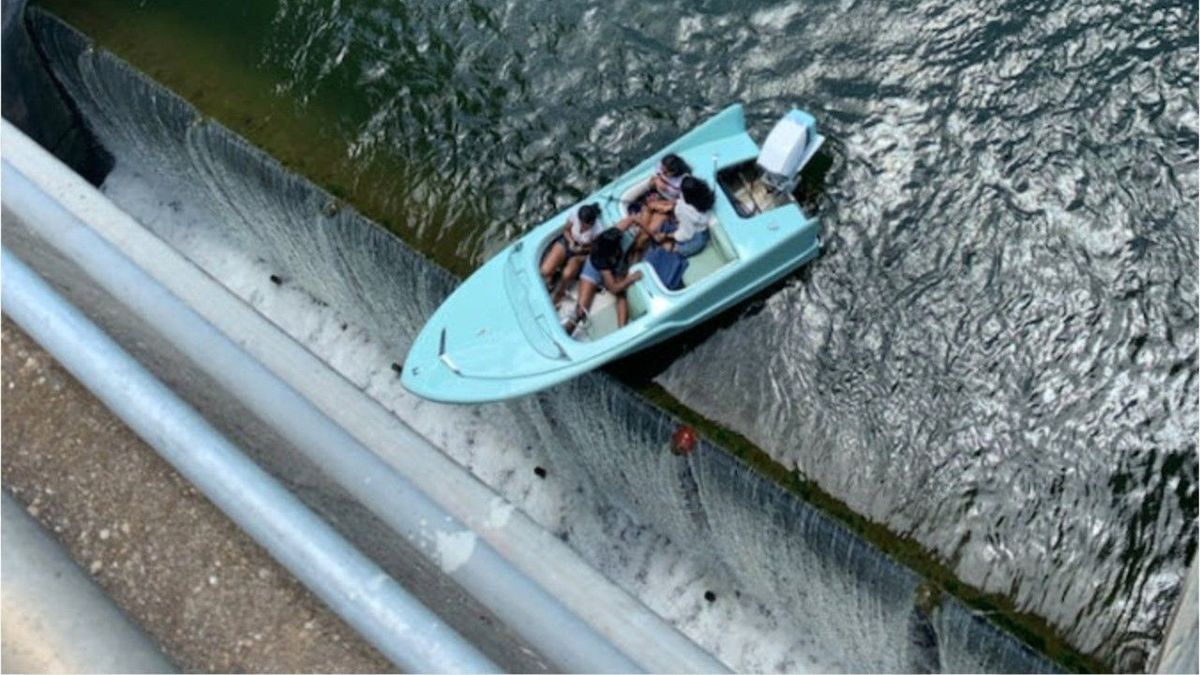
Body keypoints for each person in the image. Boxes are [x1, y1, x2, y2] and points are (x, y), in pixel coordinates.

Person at [563, 228, 642, 335]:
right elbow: (613, 288)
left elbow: (632, 223)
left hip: (614, 268)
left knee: (621, 295)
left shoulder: (619, 235)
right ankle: (568, 330)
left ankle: (622, 330)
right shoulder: (600, 257)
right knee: (581, 310)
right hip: (594, 270)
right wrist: (630, 279)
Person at [540, 203, 604, 303]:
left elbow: (595, 248)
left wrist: (581, 249)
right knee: (545, 270)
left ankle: (559, 294)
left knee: (567, 274)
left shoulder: (598, 231)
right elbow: (566, 230)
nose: (582, 226)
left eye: (585, 225)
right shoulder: (574, 214)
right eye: (581, 223)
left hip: (582, 251)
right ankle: (551, 279)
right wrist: (570, 241)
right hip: (569, 241)